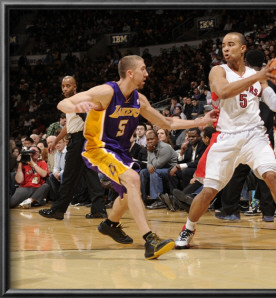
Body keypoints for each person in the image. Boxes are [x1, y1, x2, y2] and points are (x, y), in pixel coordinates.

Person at [48, 55, 217, 260]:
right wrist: (75, 107)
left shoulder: (139, 99)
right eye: (143, 69)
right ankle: (150, 239)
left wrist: (199, 121)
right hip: (98, 147)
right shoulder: (106, 92)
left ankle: (110, 224)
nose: (146, 74)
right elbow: (63, 103)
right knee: (133, 179)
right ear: (130, 73)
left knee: (131, 189)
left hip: (119, 152)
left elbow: (167, 123)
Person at [175, 32, 276, 250]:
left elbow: (275, 106)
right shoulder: (219, 71)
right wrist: (257, 77)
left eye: (231, 44)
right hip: (226, 136)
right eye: (223, 45)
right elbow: (223, 91)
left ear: (243, 48)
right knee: (209, 190)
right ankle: (188, 228)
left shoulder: (258, 75)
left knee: (272, 176)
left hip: (255, 135)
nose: (226, 49)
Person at [39, 76, 107, 220]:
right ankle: (99, 209)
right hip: (81, 140)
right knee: (91, 176)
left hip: (80, 141)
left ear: (75, 86)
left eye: (68, 86)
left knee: (69, 176)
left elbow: (88, 121)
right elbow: (68, 126)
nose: (65, 88)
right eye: (63, 86)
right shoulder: (70, 103)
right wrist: (55, 140)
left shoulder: (78, 101)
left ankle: (58, 210)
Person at [140, 129, 177, 209]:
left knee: (154, 172)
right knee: (143, 172)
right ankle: (142, 199)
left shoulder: (165, 147)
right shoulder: (151, 147)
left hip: (171, 169)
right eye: (148, 140)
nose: (149, 141)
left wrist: (150, 152)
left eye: (152, 139)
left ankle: (159, 200)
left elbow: (158, 165)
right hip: (159, 169)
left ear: (157, 139)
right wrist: (149, 166)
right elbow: (149, 162)